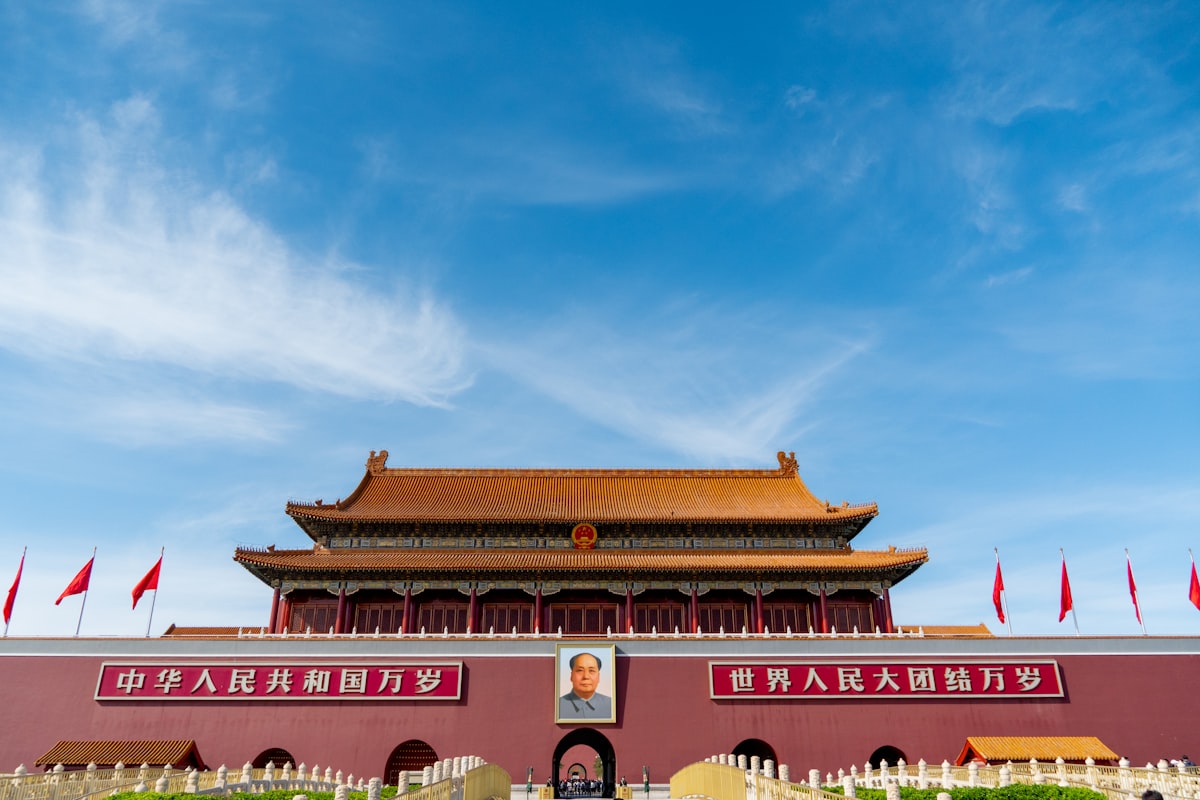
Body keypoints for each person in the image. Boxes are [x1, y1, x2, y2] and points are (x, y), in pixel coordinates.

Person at [558, 651, 612, 719]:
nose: (586, 676)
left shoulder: (611, 705)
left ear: (598, 677)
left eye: (591, 671)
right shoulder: (557, 705)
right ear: (571, 676)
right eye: (580, 670)